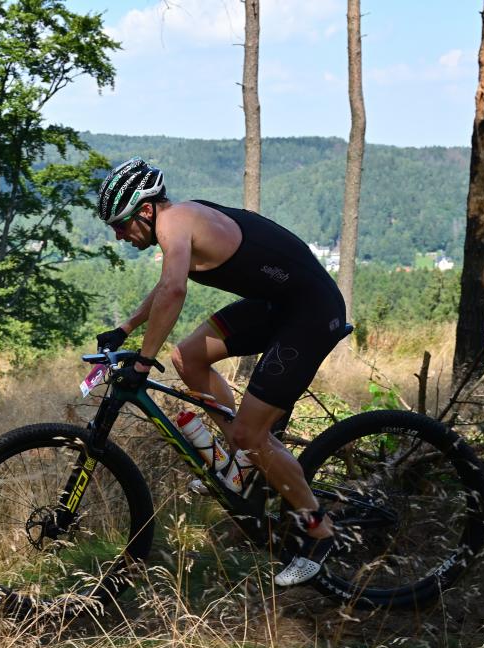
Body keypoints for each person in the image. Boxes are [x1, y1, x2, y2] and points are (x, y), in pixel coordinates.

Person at [94, 157, 347, 586]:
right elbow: (164, 287)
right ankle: (243, 463)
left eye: (120, 224)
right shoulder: (177, 225)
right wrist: (125, 328)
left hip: (310, 311)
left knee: (252, 433)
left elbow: (175, 290)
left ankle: (318, 532)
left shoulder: (174, 222)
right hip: (278, 306)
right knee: (187, 357)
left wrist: (141, 360)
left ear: (145, 210)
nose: (119, 235)